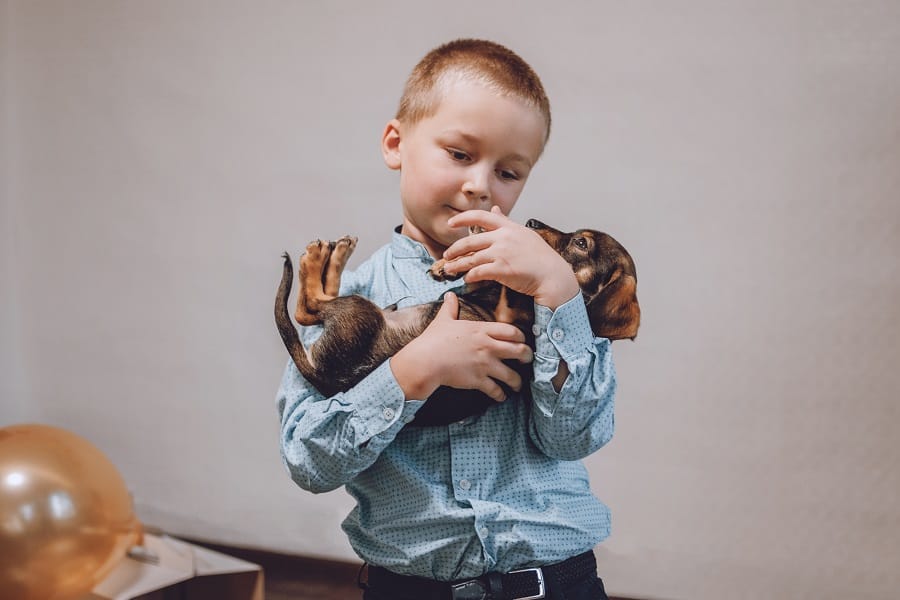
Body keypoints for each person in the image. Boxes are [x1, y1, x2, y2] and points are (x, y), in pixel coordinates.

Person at [277, 38, 615, 600]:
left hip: (554, 583)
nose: (481, 185)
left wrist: (558, 291)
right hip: (410, 588)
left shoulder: (545, 289)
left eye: (509, 172)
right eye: (460, 154)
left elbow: (575, 436)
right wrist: (415, 369)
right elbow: (309, 461)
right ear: (395, 143)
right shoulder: (355, 300)